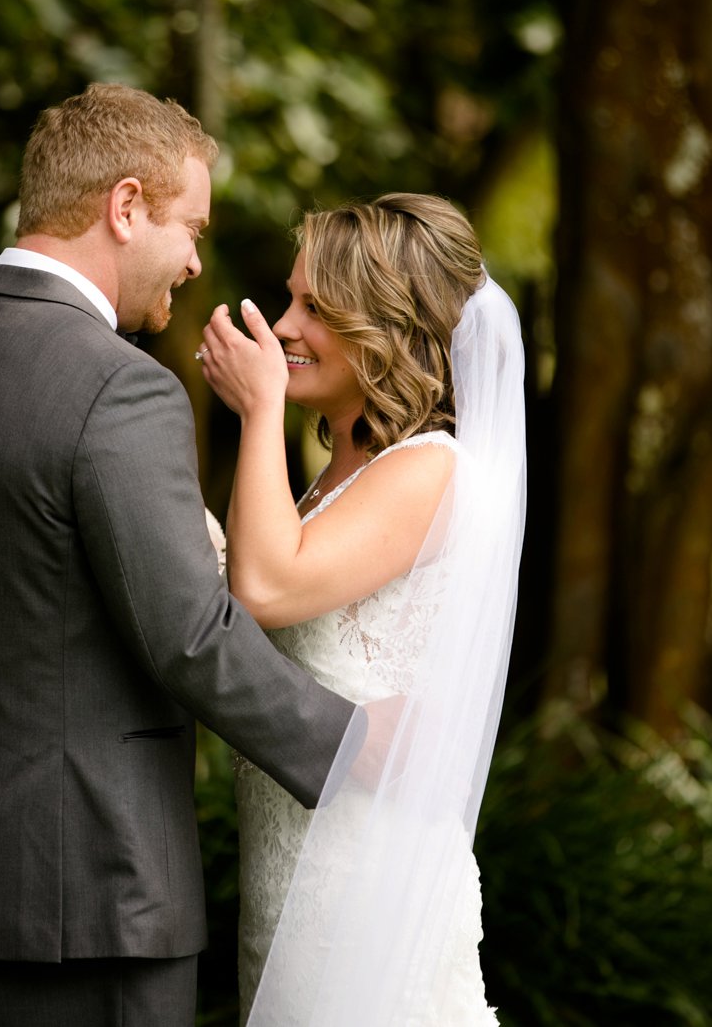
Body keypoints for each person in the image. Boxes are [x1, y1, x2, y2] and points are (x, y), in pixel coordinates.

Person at [0, 82, 363, 1027]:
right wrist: (361, 754)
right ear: (124, 206)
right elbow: (190, 636)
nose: (195, 261)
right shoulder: (119, 389)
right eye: (188, 228)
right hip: (89, 905)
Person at [199, 193, 527, 1026]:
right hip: (287, 890)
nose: (280, 327)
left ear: (385, 327)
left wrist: (260, 408)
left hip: (364, 898)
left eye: (314, 307)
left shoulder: (432, 469)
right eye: (289, 298)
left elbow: (266, 588)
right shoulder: (329, 483)